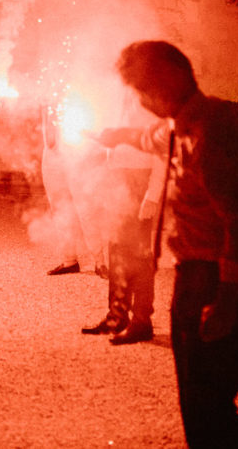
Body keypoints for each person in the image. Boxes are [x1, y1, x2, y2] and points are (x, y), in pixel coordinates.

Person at [97, 40, 238, 448]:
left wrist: (227, 299)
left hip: (220, 282)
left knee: (208, 406)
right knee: (198, 406)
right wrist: (120, 135)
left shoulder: (213, 130)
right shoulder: (181, 125)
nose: (140, 100)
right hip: (194, 278)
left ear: (170, 80)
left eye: (142, 89)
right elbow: (155, 138)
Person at [81, 131, 166, 345]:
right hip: (116, 179)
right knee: (117, 251)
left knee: (138, 255)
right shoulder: (121, 101)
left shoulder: (148, 106)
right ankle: (117, 316)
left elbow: (161, 152)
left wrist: (152, 195)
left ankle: (141, 321)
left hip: (139, 181)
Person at [40, 104, 106, 276]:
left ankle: (100, 262)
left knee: (86, 209)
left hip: (77, 155)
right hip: (51, 158)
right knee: (60, 209)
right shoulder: (46, 95)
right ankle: (69, 260)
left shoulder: (75, 86)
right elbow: (49, 137)